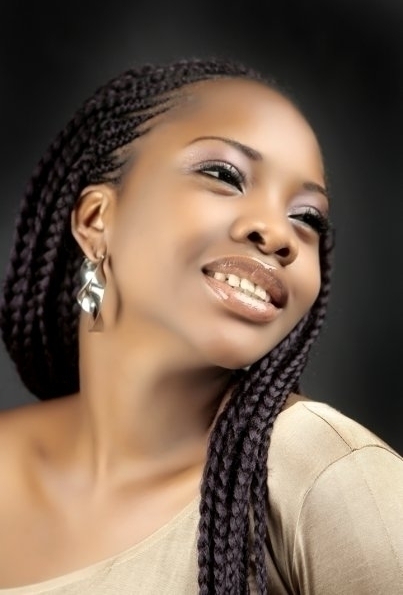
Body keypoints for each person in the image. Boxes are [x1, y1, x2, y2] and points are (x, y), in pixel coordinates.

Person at [0, 57, 402, 595]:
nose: (277, 234)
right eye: (224, 176)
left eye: (307, 217)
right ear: (96, 219)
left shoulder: (322, 471)